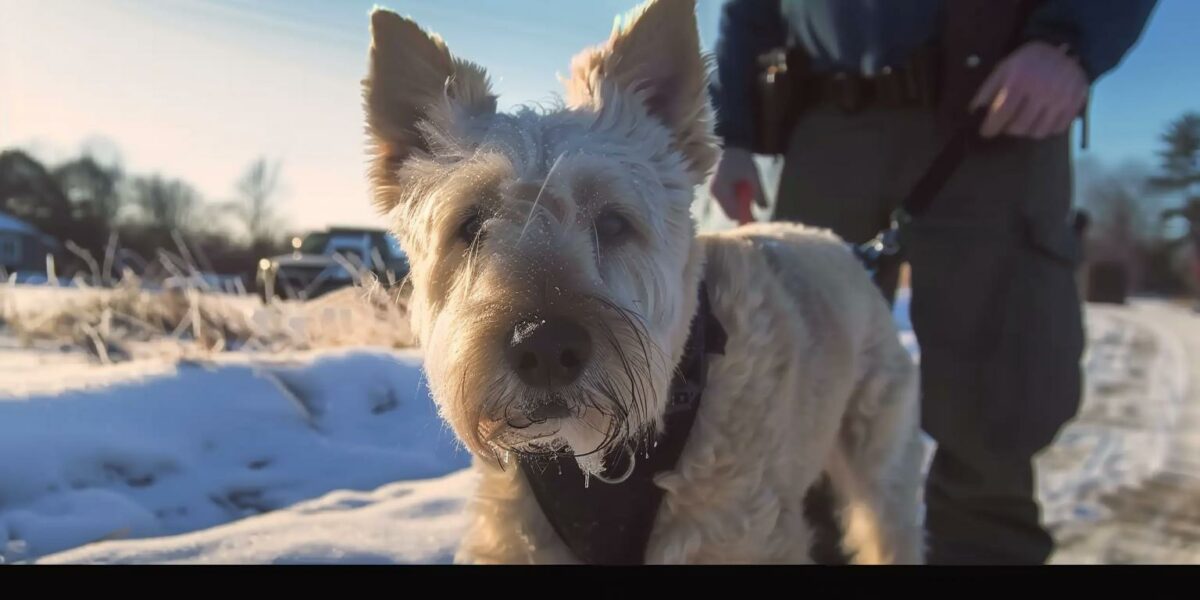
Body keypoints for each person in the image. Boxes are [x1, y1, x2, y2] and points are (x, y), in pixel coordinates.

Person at [708, 0, 1157, 564]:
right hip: (822, 126)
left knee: (992, 413)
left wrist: (1069, 39)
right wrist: (732, 130)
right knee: (797, 404)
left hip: (995, 108)